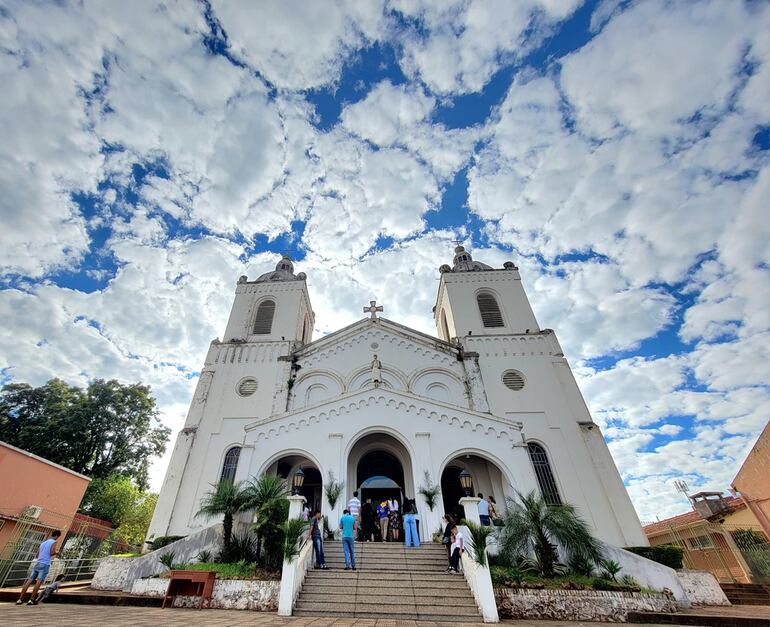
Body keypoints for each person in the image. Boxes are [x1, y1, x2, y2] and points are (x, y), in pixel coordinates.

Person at [16, 530, 61, 605]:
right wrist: (57, 552)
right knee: (38, 582)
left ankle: (20, 599)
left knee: (29, 581)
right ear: (57, 536)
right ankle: (32, 599)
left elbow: (37, 555)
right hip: (45, 564)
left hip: (38, 563)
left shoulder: (43, 543)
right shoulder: (54, 542)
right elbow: (52, 552)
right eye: (58, 537)